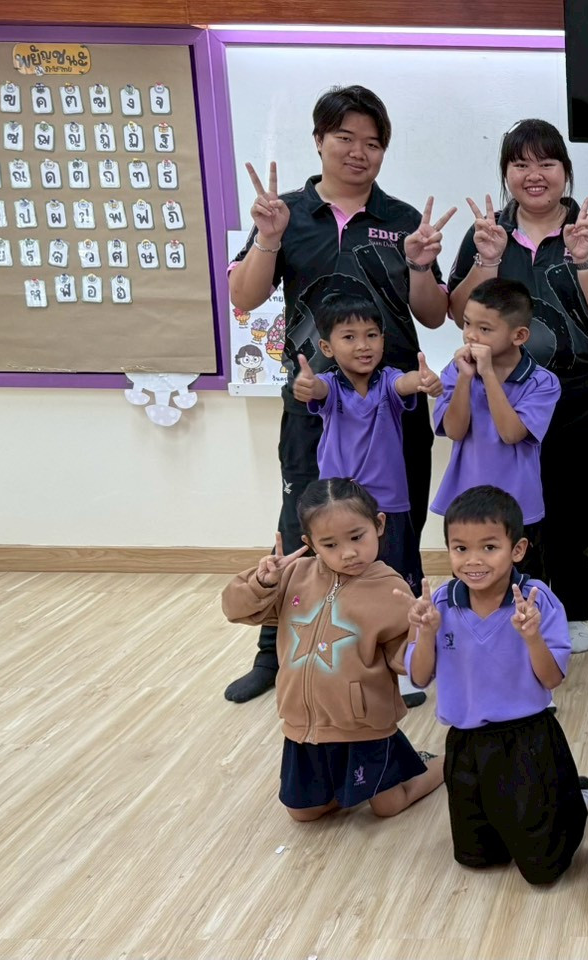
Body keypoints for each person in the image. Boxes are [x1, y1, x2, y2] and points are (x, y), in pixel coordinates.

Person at [224, 84, 455, 704]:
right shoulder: (287, 213)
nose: (358, 152)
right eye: (344, 138)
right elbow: (243, 296)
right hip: (313, 400)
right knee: (301, 521)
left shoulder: (402, 220)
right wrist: (268, 238)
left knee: (393, 525)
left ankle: (396, 654)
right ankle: (277, 652)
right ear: (319, 141)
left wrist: (421, 266)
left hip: (393, 405)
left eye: (372, 143)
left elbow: (433, 315)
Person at [447, 119, 588, 655]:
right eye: (521, 164)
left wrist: (586, 259)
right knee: (511, 508)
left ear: (565, 172)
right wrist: (487, 260)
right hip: (501, 396)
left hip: (581, 395)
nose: (534, 175)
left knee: (577, 507)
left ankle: (574, 609)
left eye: (547, 163)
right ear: (506, 173)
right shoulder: (488, 231)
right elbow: (458, 313)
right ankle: (516, 605)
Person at [220, 478, 445, 821]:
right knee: (302, 814)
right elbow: (235, 610)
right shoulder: (294, 576)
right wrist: (262, 582)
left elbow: (408, 663)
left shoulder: (390, 588)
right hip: (304, 724)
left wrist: (423, 632)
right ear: (310, 544)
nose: (348, 552)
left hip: (364, 725)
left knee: (388, 806)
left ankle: (441, 762)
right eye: (330, 544)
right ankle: (354, 786)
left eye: (357, 537)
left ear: (379, 524)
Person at [401, 486, 587, 884]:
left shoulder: (537, 601)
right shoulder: (439, 604)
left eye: (489, 547)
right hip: (465, 744)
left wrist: (532, 637)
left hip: (528, 740)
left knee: (542, 868)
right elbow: (418, 677)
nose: (473, 560)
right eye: (460, 548)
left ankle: (574, 796)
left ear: (517, 549)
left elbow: (552, 678)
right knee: (477, 858)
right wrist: (426, 633)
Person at [292, 291, 443, 594]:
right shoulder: (331, 385)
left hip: (390, 502)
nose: (363, 345)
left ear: (382, 341)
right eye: (349, 337)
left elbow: (405, 382)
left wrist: (423, 380)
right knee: (346, 580)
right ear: (327, 347)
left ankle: (407, 624)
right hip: (340, 505)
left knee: (400, 580)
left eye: (372, 335)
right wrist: (307, 385)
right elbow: (318, 389)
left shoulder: (388, 381)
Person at [432, 279, 561, 575]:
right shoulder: (455, 370)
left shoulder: (542, 382)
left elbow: (511, 433)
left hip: (519, 507)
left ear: (519, 335)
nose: (471, 335)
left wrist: (488, 374)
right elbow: (454, 431)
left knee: (521, 583)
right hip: (465, 502)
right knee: (470, 577)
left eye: (485, 329)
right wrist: (465, 378)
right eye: (467, 323)